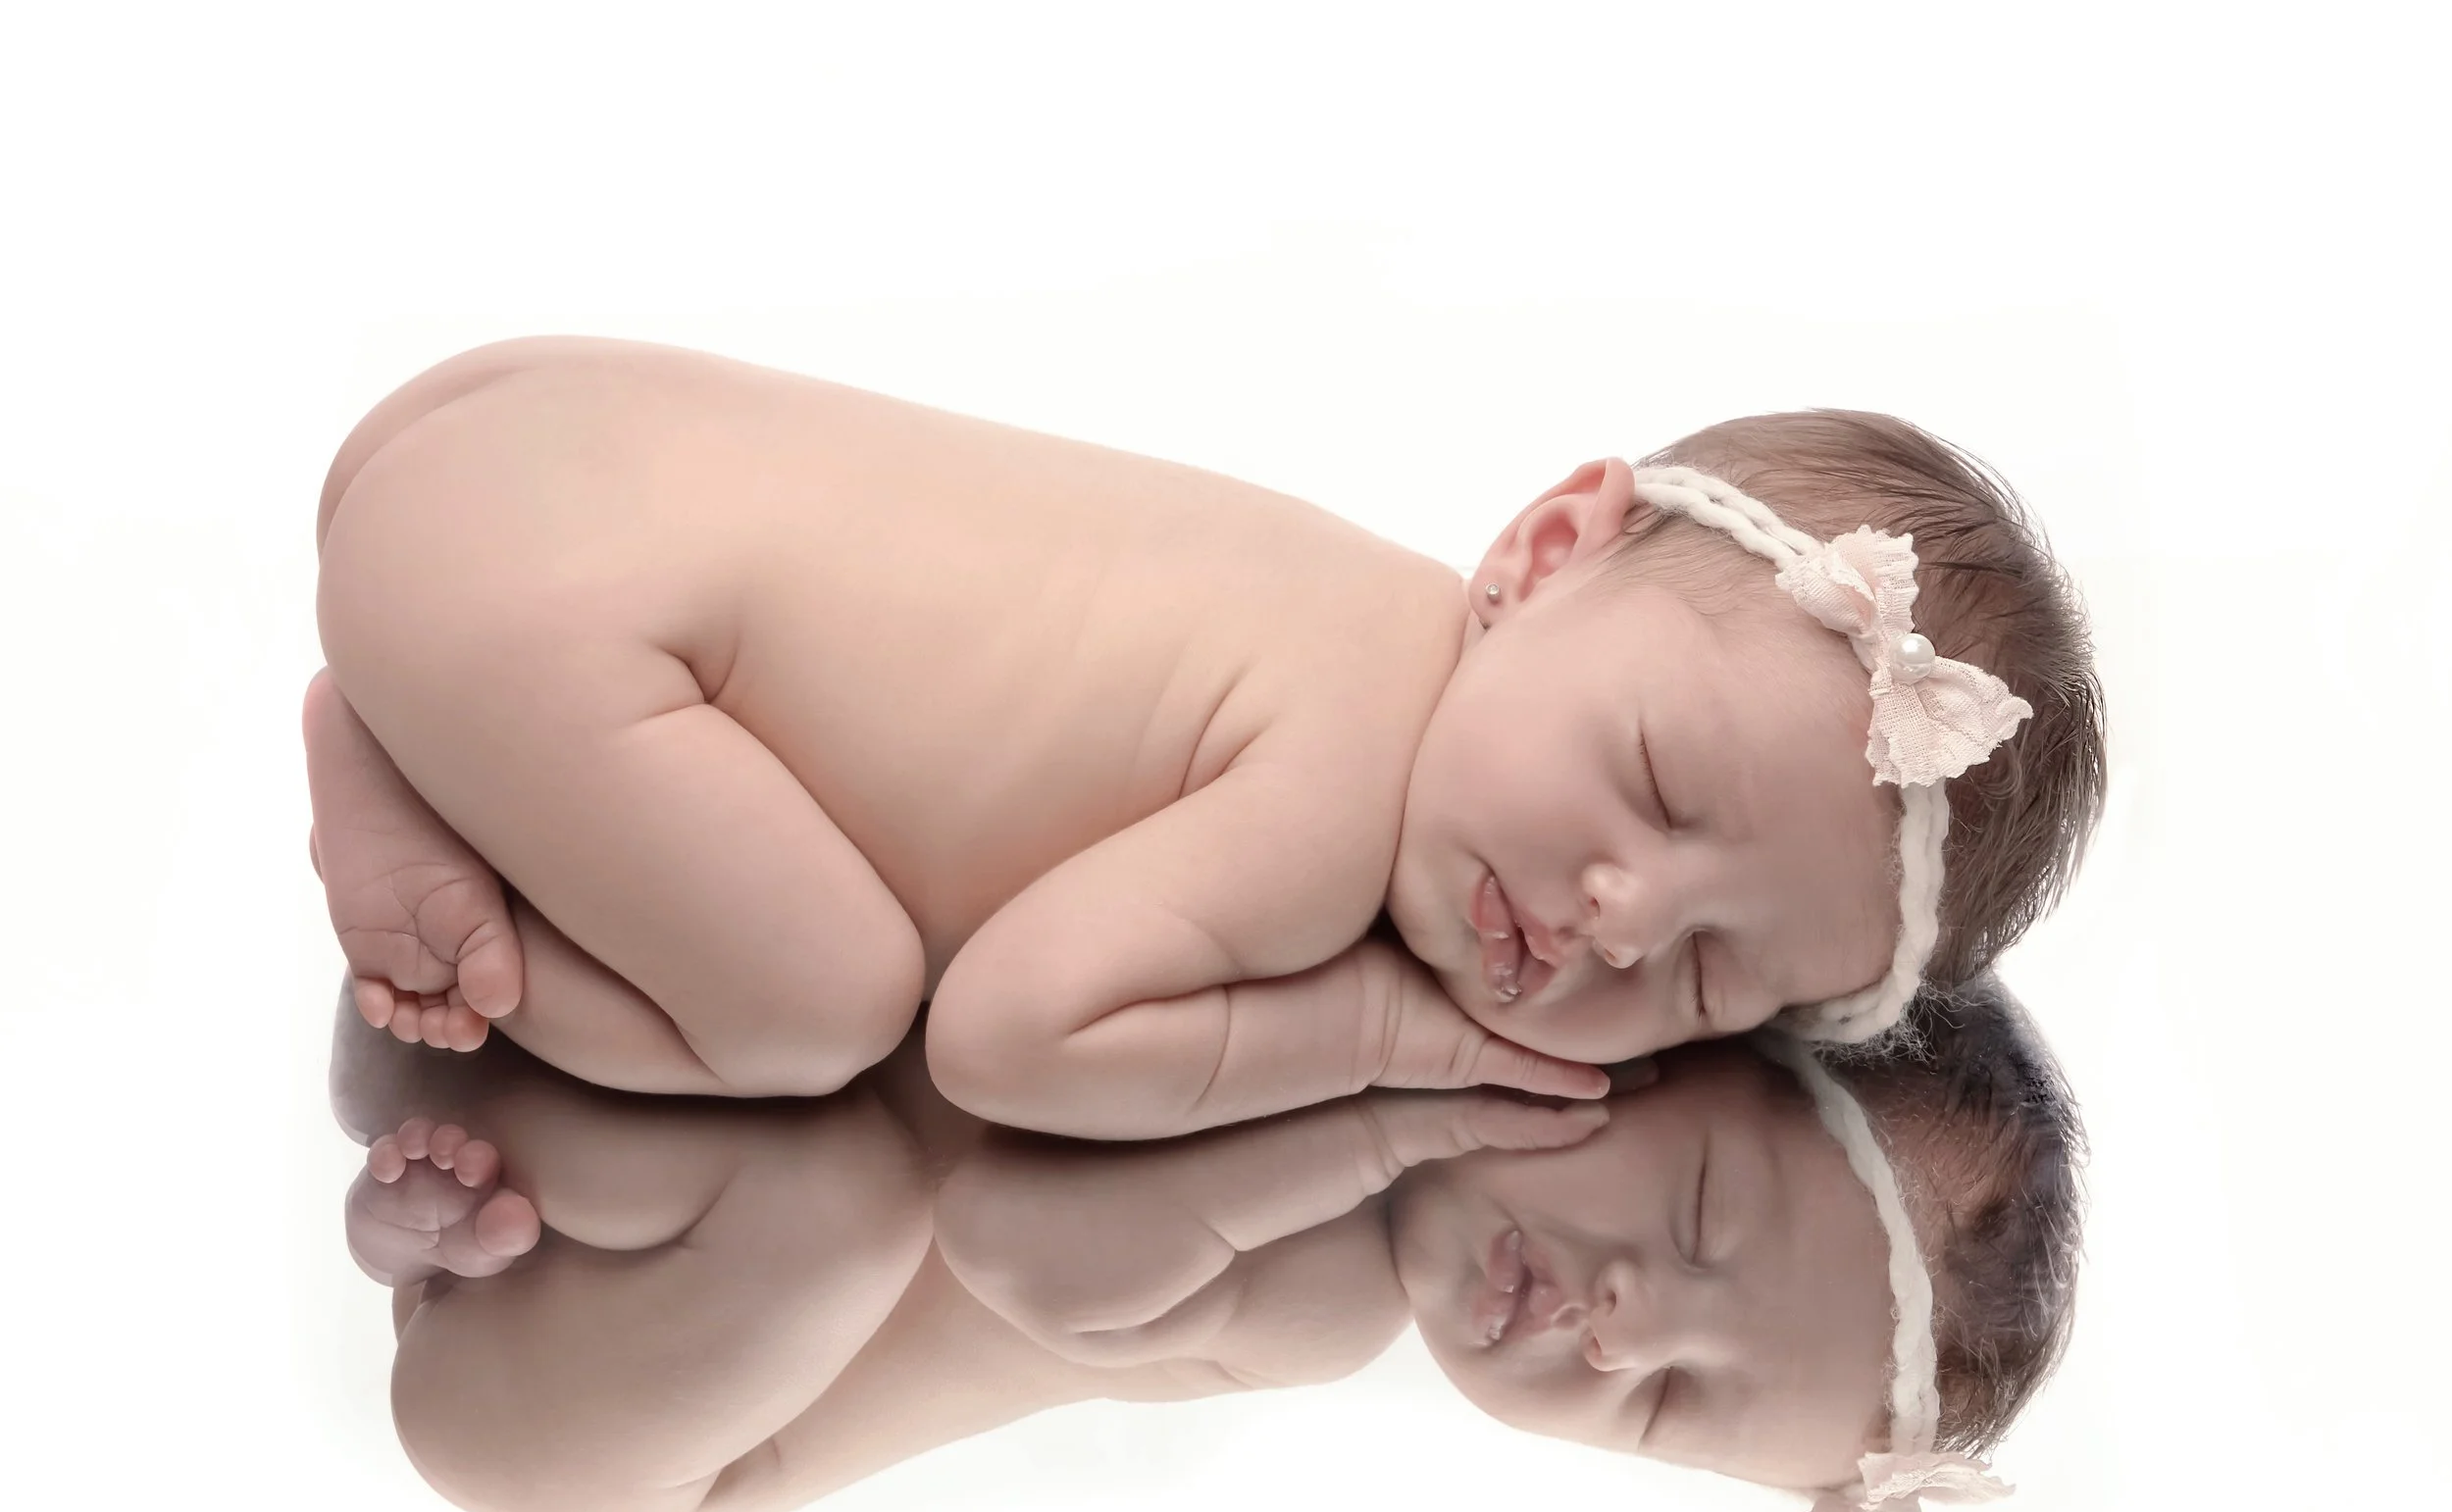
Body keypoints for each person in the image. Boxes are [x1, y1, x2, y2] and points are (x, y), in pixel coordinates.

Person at [305, 337, 2103, 1139]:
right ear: (1541, 554)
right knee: (816, 1009)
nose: (1625, 916)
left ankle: (429, 712)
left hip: (520, 427)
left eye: (1709, 974)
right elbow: (1013, 1041)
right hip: (540, 596)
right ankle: (439, 834)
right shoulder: (1337, 776)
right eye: (1656, 785)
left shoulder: (1351, 601)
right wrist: (1382, 1039)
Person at [336, 974, 2081, 1512]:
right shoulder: (1347, 976)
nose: (1630, 1326)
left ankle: (460, 1219)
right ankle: (430, 1167)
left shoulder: (1314, 1294)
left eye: (1673, 1406)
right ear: (1652, 1039)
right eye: (1701, 1217)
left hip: (619, 1432)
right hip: (646, 1175)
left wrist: (1389, 1120)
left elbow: (1017, 1230)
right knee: (667, 1043)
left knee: (844, 1198)